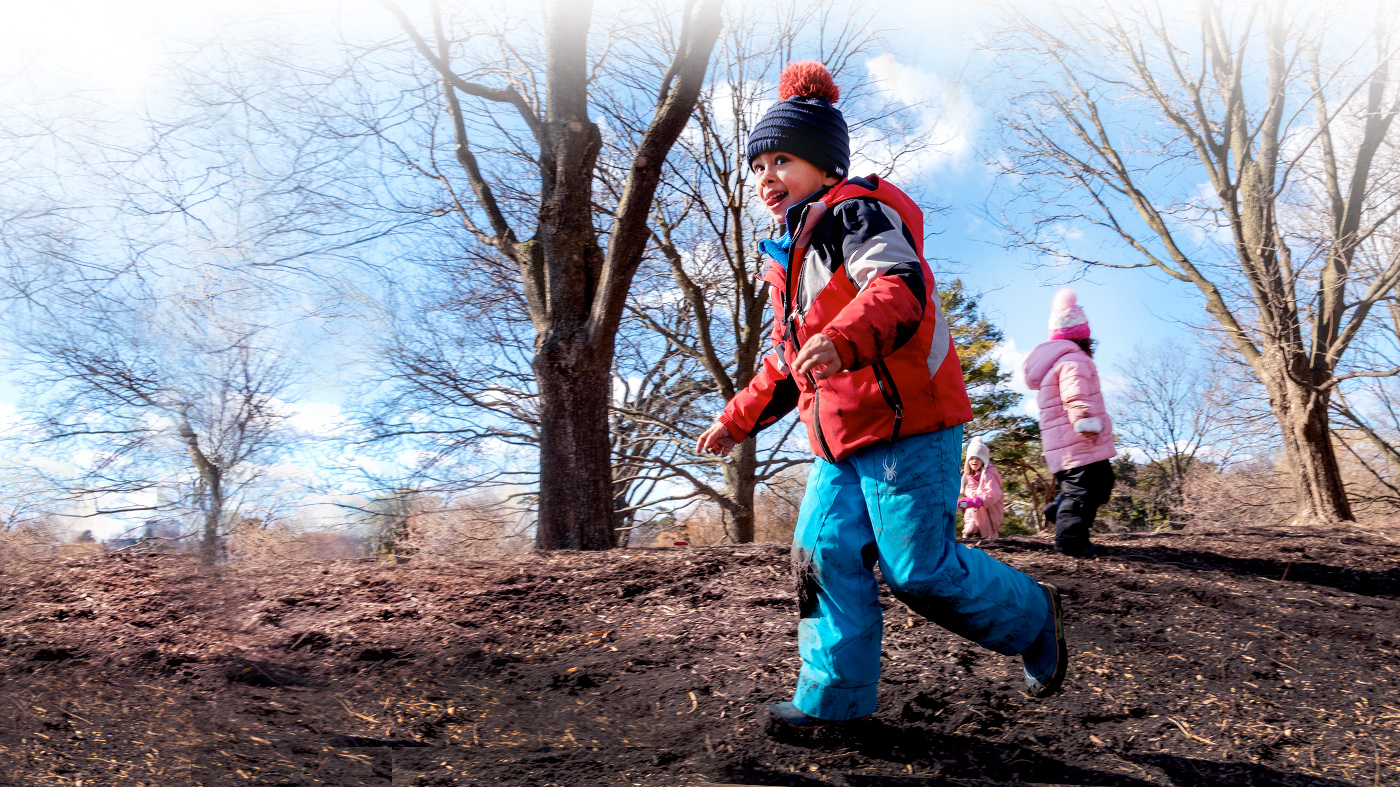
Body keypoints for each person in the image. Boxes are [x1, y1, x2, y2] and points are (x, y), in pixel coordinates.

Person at [694, 61, 1067, 729]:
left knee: (917, 571)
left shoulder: (855, 213)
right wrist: (735, 419)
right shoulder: (788, 262)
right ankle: (832, 702)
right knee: (819, 553)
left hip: (908, 427)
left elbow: (897, 286)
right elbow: (785, 363)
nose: (766, 177)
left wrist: (845, 338)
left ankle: (1035, 618)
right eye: (758, 167)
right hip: (838, 442)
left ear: (825, 166)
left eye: (782, 159)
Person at [1022, 288, 1117, 557]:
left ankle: (1058, 508)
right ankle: (1070, 541)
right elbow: (1073, 393)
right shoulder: (1074, 361)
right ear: (1084, 336)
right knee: (1083, 492)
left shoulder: (1064, 360)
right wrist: (1084, 419)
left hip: (1072, 444)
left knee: (1102, 483)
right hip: (1078, 440)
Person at [958, 436, 1004, 540]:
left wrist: (978, 500)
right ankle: (967, 551)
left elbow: (993, 494)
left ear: (984, 460)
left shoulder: (989, 475)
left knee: (985, 534)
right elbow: (970, 492)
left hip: (988, 511)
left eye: (978, 458)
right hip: (973, 512)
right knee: (968, 532)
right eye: (972, 458)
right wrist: (966, 501)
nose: (974, 461)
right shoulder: (969, 476)